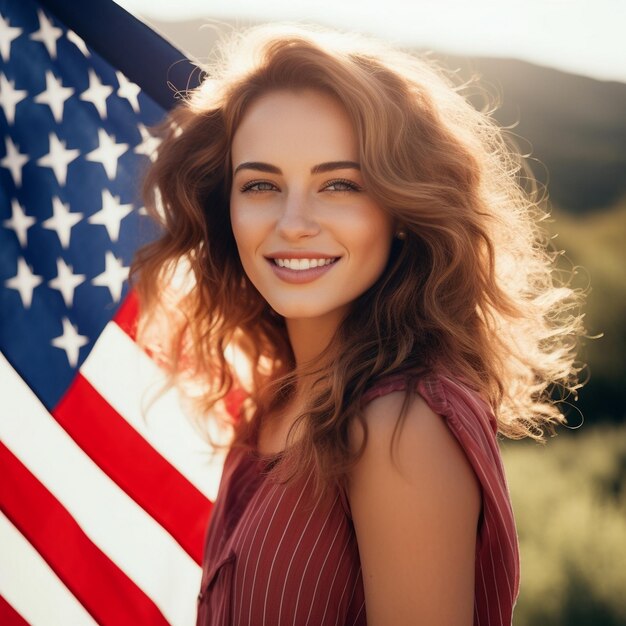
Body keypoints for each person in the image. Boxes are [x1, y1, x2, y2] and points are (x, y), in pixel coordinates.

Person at [131, 23, 585, 626]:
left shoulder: (402, 423)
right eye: (261, 184)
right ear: (226, 206)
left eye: (340, 184)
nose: (294, 224)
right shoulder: (273, 402)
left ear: (399, 209)